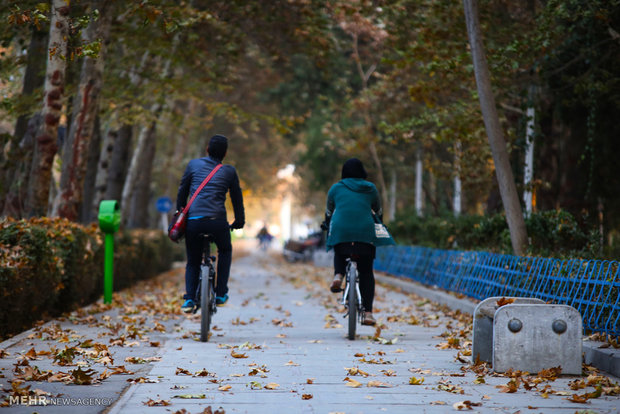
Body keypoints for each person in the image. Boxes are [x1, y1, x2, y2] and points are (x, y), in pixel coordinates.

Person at [175, 134, 245, 312]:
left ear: (207, 149)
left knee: (193, 260)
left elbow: (182, 191)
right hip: (217, 222)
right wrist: (239, 220)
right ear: (225, 153)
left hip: (194, 222)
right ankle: (221, 293)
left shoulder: (193, 165)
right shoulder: (229, 171)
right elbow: (237, 198)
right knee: (225, 250)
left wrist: (180, 211)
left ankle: (189, 298)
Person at [323, 158, 395, 326]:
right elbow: (378, 210)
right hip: (365, 231)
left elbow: (329, 211)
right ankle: (368, 313)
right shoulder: (370, 188)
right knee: (366, 271)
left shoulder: (336, 188)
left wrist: (327, 224)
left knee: (339, 246)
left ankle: (338, 275)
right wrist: (380, 222)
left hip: (342, 229)